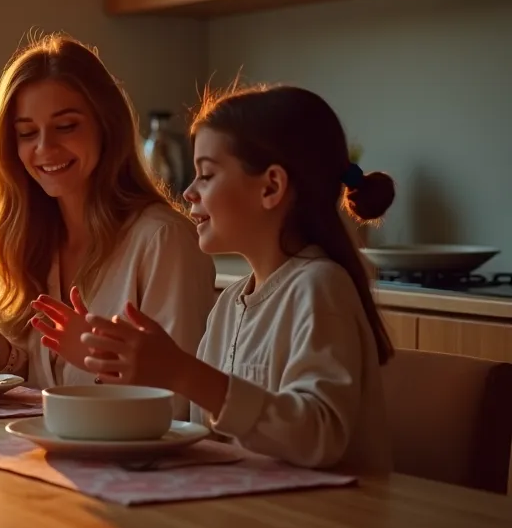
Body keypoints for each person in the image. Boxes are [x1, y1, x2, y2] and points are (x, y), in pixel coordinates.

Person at [79, 84, 395, 474]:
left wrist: (183, 372)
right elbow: (207, 440)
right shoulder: (229, 304)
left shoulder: (319, 288)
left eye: (207, 175)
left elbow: (319, 435)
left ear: (271, 187)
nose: (189, 191)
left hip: (328, 526)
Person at [0, 33, 215, 411]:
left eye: (66, 126)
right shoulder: (33, 240)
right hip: (51, 457)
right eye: (27, 133)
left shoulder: (164, 240)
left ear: (105, 125)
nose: (44, 148)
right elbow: (43, 387)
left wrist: (98, 362)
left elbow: (182, 403)